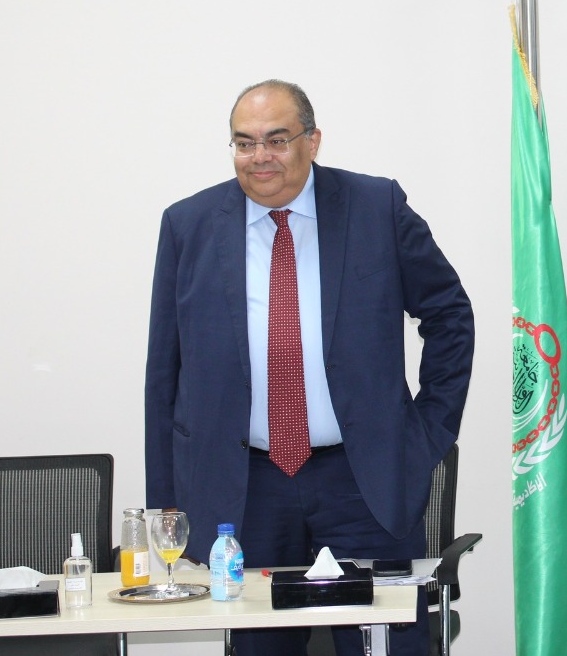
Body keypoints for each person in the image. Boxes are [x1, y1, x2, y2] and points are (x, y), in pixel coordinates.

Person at [145, 79, 474, 656]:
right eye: (244, 143)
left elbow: (449, 315)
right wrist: (167, 497)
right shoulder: (188, 225)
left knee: (384, 645)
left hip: (362, 482)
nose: (260, 157)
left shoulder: (376, 208)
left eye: (276, 140)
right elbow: (164, 370)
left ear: (312, 140)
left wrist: (425, 433)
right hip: (244, 492)